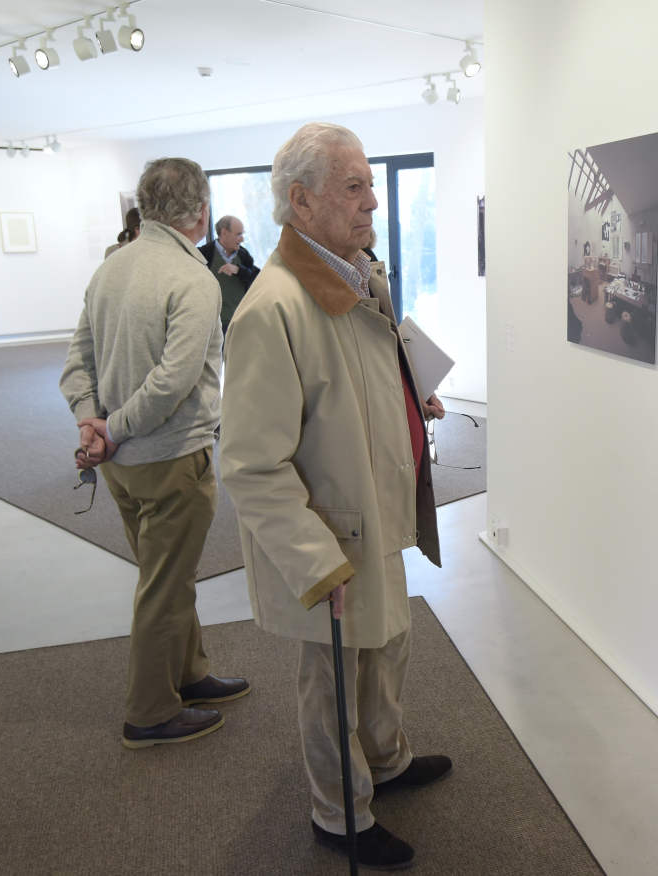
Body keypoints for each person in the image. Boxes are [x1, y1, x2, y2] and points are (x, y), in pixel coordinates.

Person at [219, 123, 449, 870]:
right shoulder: (273, 309)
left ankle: (386, 760)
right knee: (334, 683)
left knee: (388, 650)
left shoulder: (358, 276)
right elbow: (251, 464)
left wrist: (409, 396)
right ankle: (338, 814)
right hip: (332, 537)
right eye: (353, 188)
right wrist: (314, 561)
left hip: (377, 513)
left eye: (370, 185)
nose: (372, 202)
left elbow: (353, 384)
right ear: (302, 201)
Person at [60, 158, 249, 750]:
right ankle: (149, 711)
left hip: (123, 465)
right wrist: (111, 429)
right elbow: (174, 382)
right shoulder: (193, 278)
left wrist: (91, 423)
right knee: (165, 586)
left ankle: (188, 674)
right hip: (170, 459)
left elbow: (77, 359)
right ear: (201, 212)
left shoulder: (111, 267)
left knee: (166, 575)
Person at [198, 215, 261, 333]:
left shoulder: (243, 255)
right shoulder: (203, 254)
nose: (242, 239)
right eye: (238, 234)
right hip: (213, 326)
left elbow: (258, 279)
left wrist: (239, 270)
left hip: (241, 322)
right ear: (224, 233)